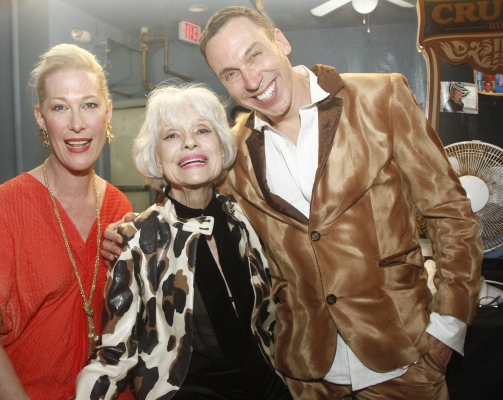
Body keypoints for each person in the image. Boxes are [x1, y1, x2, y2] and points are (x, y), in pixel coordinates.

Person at [196, 6, 481, 399]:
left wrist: (449, 325)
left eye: (255, 54)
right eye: (230, 74)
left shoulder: (381, 97)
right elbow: (190, 208)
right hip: (307, 370)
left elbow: (450, 211)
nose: (250, 80)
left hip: (405, 356)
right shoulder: (233, 150)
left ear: (280, 41)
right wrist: (131, 234)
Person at [75, 83, 292, 400]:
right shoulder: (138, 240)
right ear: (157, 159)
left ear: (220, 146)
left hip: (268, 385)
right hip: (189, 391)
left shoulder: (244, 218)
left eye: (202, 130)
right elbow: (112, 355)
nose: (190, 142)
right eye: (171, 136)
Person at [0, 44, 134, 400]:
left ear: (108, 112)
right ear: (41, 118)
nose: (76, 123)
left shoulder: (118, 205)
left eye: (89, 105)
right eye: (60, 107)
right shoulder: (3, 207)